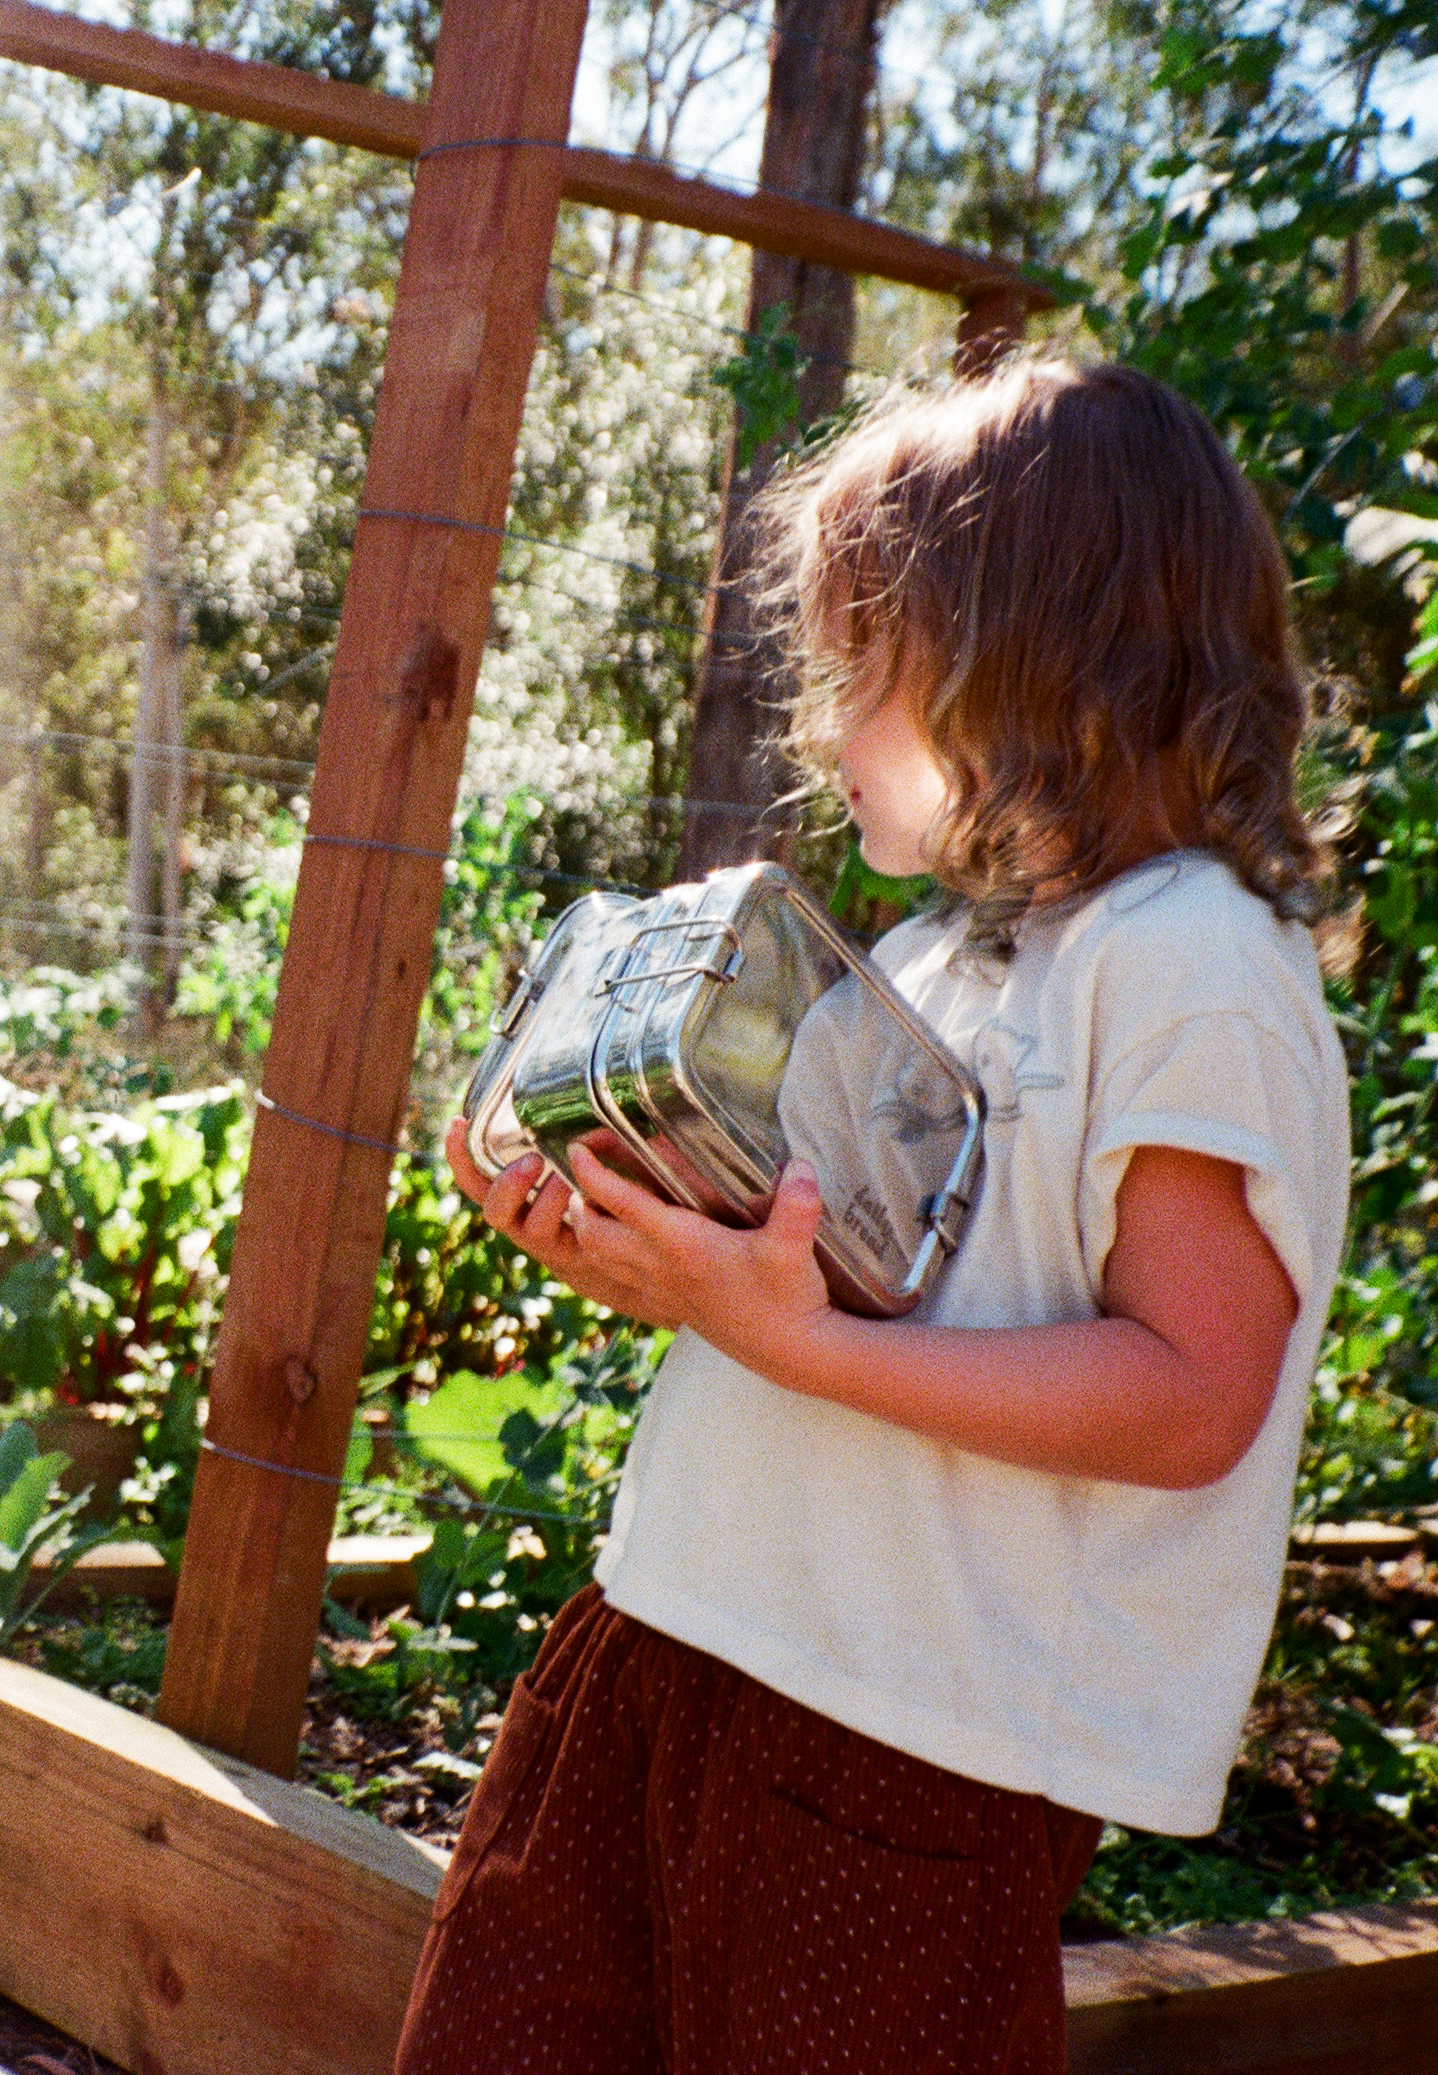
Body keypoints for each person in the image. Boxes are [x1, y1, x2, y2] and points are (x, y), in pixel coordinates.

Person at [406, 357, 1351, 2075]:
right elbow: (833, 1283)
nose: (824, 730)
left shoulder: (1190, 965)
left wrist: (795, 1344)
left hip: (906, 1753)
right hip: (668, 1645)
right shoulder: (937, 955)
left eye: (870, 672)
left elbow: (1196, 1388)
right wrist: (654, 1246)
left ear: (1040, 664)